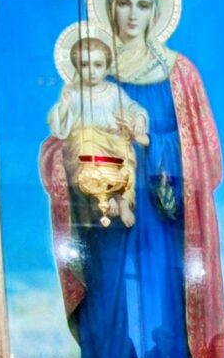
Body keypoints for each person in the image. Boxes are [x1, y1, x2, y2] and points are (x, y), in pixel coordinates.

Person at [38, 0, 224, 358]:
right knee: (107, 304)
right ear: (109, 9)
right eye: (123, 3)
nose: (132, 14)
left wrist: (152, 149)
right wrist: (77, 158)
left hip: (160, 208)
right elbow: (59, 141)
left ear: (156, 12)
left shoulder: (180, 72)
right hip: (103, 209)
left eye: (142, 5)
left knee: (164, 303)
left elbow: (205, 151)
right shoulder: (91, 69)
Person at [47, 30, 149, 229]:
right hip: (85, 140)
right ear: (77, 66)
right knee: (86, 146)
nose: (91, 71)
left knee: (126, 152)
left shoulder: (113, 91)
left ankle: (123, 201)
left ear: (107, 67)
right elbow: (59, 126)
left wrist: (138, 117)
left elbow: (133, 107)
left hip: (112, 138)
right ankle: (105, 197)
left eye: (98, 65)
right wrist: (64, 107)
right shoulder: (73, 92)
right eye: (85, 65)